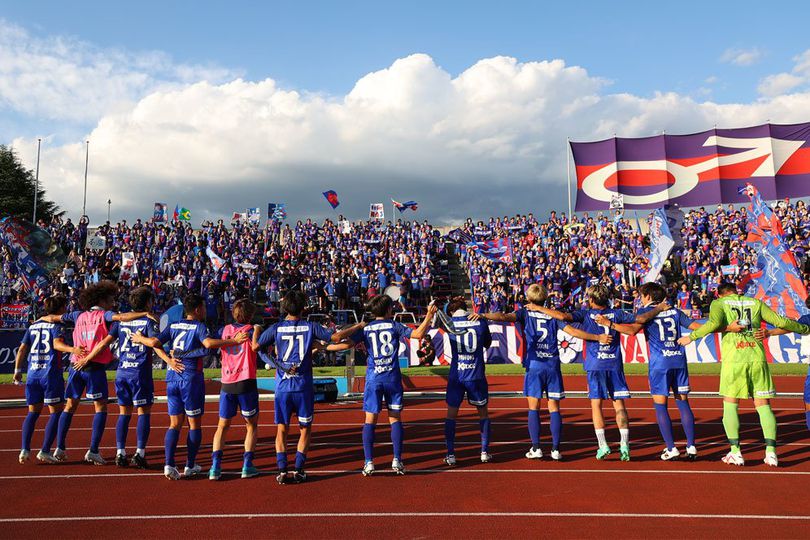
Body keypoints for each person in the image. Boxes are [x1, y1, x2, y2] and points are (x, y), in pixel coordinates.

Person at [474, 284, 611, 461]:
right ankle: (555, 449)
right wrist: (598, 337)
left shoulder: (525, 312)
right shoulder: (552, 315)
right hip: (552, 365)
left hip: (534, 365)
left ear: (529, 298)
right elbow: (574, 332)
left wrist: (484, 314)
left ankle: (536, 447)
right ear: (545, 298)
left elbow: (503, 316)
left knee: (534, 407)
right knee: (554, 407)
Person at [679, 284, 810, 466]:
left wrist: (690, 337)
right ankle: (771, 452)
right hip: (757, 357)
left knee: (730, 404)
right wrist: (803, 329)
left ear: (720, 293)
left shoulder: (719, 303)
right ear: (736, 291)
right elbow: (780, 321)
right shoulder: (755, 302)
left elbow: (713, 324)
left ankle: (735, 452)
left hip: (734, 360)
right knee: (763, 405)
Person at [132, 293, 248, 480]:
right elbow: (209, 344)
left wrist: (140, 340)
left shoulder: (173, 325)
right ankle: (190, 464)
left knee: (174, 424)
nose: (205, 310)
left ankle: (169, 465)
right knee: (194, 424)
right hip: (191, 378)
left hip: (172, 377)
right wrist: (234, 341)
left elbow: (154, 342)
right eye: (203, 307)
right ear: (197, 309)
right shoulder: (199, 326)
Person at [254, 290, 361, 484]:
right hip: (303, 387)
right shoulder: (311, 327)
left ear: (284, 307)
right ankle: (299, 469)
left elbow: (257, 347)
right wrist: (359, 326)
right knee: (305, 429)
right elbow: (336, 339)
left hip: (283, 387)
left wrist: (276, 362)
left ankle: (282, 470)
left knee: (281, 429)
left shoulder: (276, 328)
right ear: (303, 308)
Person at [43, 281, 154, 465]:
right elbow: (121, 318)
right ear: (102, 299)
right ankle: (93, 450)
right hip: (93, 367)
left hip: (74, 366)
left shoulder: (78, 315)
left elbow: (53, 318)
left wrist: (40, 320)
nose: (113, 302)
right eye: (111, 298)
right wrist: (143, 313)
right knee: (101, 407)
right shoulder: (105, 314)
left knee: (69, 406)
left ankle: (60, 448)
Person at [332, 296, 436, 476]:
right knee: (395, 418)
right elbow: (418, 334)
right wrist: (428, 314)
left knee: (370, 420)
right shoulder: (394, 325)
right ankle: (397, 460)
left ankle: (369, 462)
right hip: (392, 378)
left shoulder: (367, 328)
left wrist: (322, 347)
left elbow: (344, 344)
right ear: (388, 310)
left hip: (374, 378)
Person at [598, 283, 703, 460]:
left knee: (661, 405)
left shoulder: (644, 313)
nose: (639, 298)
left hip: (660, 363)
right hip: (678, 359)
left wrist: (610, 324)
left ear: (647, 296)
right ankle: (691, 446)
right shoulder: (675, 311)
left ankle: (671, 448)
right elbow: (698, 327)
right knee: (683, 402)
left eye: (641, 295)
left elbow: (632, 329)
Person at [539, 285, 638, 461]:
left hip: (595, 365)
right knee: (619, 406)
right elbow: (638, 320)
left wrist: (538, 307)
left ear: (591, 300)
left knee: (596, 405)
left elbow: (562, 316)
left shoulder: (585, 314)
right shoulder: (617, 314)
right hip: (614, 364)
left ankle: (603, 445)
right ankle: (624, 444)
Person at [14, 295, 84, 464]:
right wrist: (73, 349)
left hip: (32, 374)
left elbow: (23, 348)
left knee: (33, 412)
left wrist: (17, 369)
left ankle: (24, 449)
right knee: (56, 412)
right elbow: (57, 344)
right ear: (60, 309)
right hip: (50, 374)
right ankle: (45, 450)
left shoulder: (34, 325)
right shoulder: (56, 325)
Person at [108, 286, 171, 468]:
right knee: (143, 412)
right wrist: (168, 360)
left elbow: (108, 340)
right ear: (148, 302)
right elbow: (155, 344)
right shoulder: (148, 321)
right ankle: (139, 452)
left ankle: (120, 452)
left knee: (124, 413)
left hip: (122, 371)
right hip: (139, 373)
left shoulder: (121, 321)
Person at [209, 299, 262, 481]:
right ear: (250, 315)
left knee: (222, 426)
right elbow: (258, 347)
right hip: (246, 381)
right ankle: (247, 465)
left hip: (227, 382)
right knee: (252, 425)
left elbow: (213, 343)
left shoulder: (224, 330)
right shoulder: (252, 330)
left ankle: (215, 466)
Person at [442, 296, 493, 465]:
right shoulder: (479, 322)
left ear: (451, 311)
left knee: (451, 415)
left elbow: (441, 317)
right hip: (476, 373)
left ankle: (450, 454)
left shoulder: (449, 324)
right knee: (483, 413)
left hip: (457, 374)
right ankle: (484, 451)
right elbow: (487, 343)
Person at [756, 297, 810, 435]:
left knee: (808, 399)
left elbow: (790, 327)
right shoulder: (806, 319)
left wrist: (770, 332)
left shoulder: (807, 319)